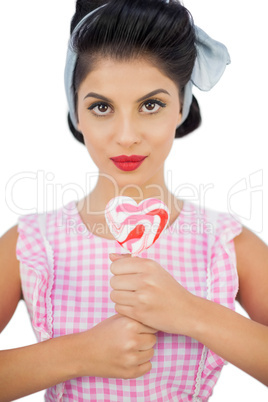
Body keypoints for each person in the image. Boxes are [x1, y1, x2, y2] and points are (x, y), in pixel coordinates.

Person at [0, 0, 268, 400]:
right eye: (102, 107)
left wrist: (193, 313)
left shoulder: (225, 244)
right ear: (76, 111)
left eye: (150, 105)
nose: (126, 136)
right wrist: (79, 353)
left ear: (182, 106)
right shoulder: (32, 243)